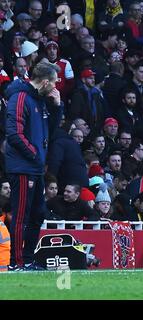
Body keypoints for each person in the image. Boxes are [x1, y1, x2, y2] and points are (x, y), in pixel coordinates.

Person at [5, 61, 63, 271]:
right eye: (55, 82)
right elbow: (14, 133)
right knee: (21, 215)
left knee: (38, 213)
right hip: (22, 167)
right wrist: (35, 154)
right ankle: (17, 263)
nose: (56, 87)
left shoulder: (40, 100)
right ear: (45, 81)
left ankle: (28, 259)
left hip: (35, 167)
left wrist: (57, 106)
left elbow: (52, 130)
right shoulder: (20, 97)